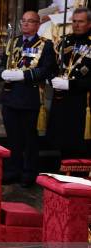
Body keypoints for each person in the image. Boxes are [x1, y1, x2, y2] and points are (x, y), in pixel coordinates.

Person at [0, 10, 57, 187]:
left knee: (29, 139)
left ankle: (29, 172)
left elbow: (47, 69)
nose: (25, 24)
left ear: (38, 25)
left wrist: (25, 76)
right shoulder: (13, 41)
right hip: (10, 96)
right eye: (23, 21)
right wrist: (2, 72)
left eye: (30, 21)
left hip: (29, 97)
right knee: (12, 138)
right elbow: (0, 63)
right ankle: (12, 170)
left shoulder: (45, 45)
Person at [47, 7, 91, 160]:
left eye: (81, 22)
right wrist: (52, 78)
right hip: (61, 98)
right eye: (74, 21)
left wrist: (71, 85)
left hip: (81, 100)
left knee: (77, 143)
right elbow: (53, 64)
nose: (76, 25)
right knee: (60, 139)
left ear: (89, 24)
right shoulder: (65, 40)